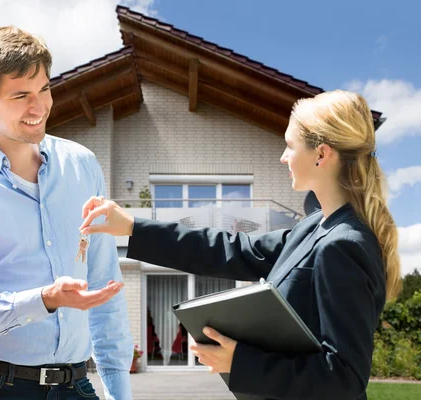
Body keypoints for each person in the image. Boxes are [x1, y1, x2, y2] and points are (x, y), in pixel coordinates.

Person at [79, 90, 401, 400]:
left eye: (290, 146)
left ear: (321, 154)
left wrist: (241, 363)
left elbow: (344, 376)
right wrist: (133, 228)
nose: (283, 156)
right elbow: (229, 249)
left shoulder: (343, 244)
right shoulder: (313, 229)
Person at [0, 26, 133, 400]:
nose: (39, 108)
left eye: (45, 90)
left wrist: (119, 393)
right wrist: (45, 299)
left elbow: (106, 290)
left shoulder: (82, 166)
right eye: (20, 96)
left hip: (77, 388)